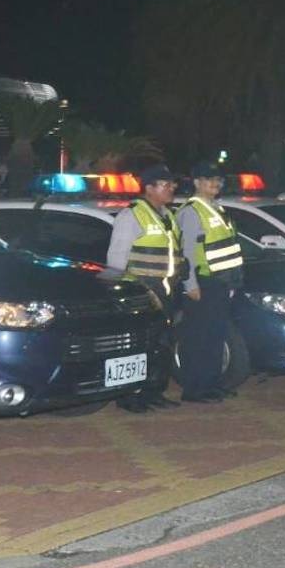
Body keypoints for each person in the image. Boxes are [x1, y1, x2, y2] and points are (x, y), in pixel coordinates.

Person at [102, 165, 182, 412]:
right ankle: (131, 397)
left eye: (172, 185)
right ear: (149, 188)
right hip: (141, 292)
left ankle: (153, 391)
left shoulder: (167, 214)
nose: (171, 189)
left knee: (161, 344)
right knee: (139, 346)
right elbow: (117, 257)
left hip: (165, 291)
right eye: (165, 185)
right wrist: (120, 291)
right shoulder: (132, 215)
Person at [175, 162, 245, 403]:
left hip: (220, 283)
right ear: (196, 183)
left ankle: (211, 383)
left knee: (216, 335)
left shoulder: (216, 208)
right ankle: (194, 389)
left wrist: (232, 282)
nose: (215, 184)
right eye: (209, 179)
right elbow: (188, 253)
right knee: (199, 337)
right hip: (202, 284)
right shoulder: (192, 211)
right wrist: (190, 285)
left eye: (218, 180)